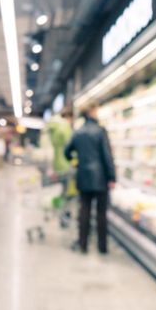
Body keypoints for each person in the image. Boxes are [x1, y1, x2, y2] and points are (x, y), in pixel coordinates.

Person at [64, 104, 116, 254]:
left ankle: (83, 244)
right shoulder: (100, 131)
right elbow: (107, 156)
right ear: (91, 112)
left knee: (84, 211)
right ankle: (102, 247)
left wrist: (76, 161)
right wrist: (112, 176)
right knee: (101, 214)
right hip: (100, 178)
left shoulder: (78, 132)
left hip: (83, 177)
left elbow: (66, 152)